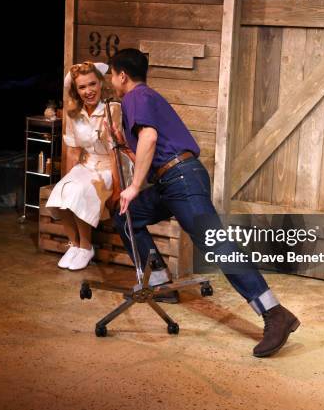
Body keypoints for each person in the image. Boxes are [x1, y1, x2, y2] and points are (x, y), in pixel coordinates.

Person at [107, 48, 300, 358]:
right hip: (172, 180)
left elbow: (151, 140)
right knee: (127, 217)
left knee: (218, 245)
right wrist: (123, 143)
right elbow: (153, 153)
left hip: (180, 180)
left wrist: (133, 186)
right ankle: (158, 283)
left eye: (112, 76)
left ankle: (275, 313)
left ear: (122, 75)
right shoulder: (145, 99)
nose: (112, 81)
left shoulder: (135, 96)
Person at [46, 61, 121, 271]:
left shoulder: (112, 109)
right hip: (86, 164)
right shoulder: (73, 114)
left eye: (92, 84)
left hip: (108, 168)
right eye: (82, 87)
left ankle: (87, 247)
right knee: (63, 190)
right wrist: (68, 179)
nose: (89, 91)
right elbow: (73, 151)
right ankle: (75, 244)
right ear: (76, 91)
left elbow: (115, 153)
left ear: (100, 83)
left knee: (81, 190)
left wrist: (117, 188)